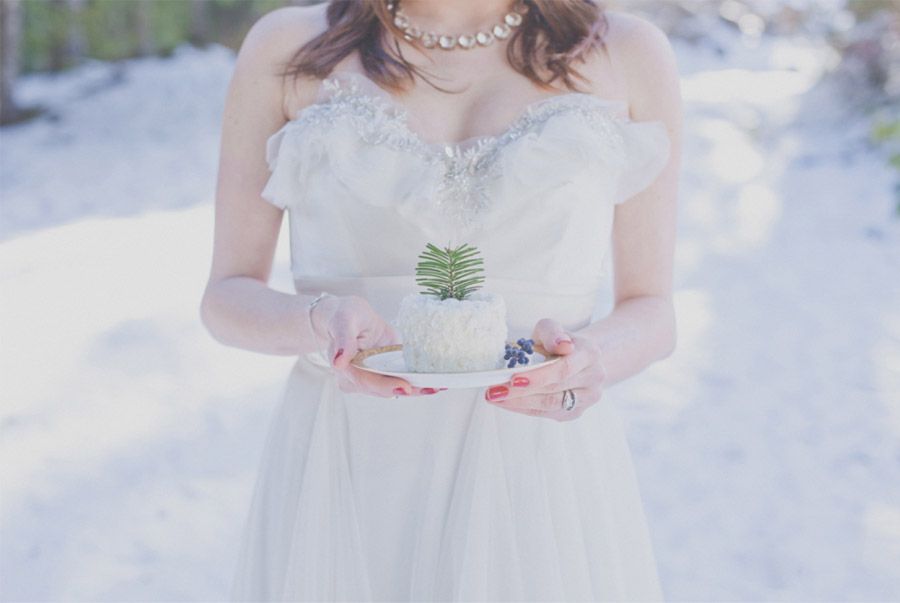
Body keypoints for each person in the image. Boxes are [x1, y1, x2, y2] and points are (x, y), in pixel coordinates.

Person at [200, 0, 682, 599]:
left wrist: (592, 357)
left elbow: (653, 309)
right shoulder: (289, 46)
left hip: (540, 476)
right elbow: (226, 297)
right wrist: (319, 322)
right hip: (349, 470)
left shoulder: (625, 52)